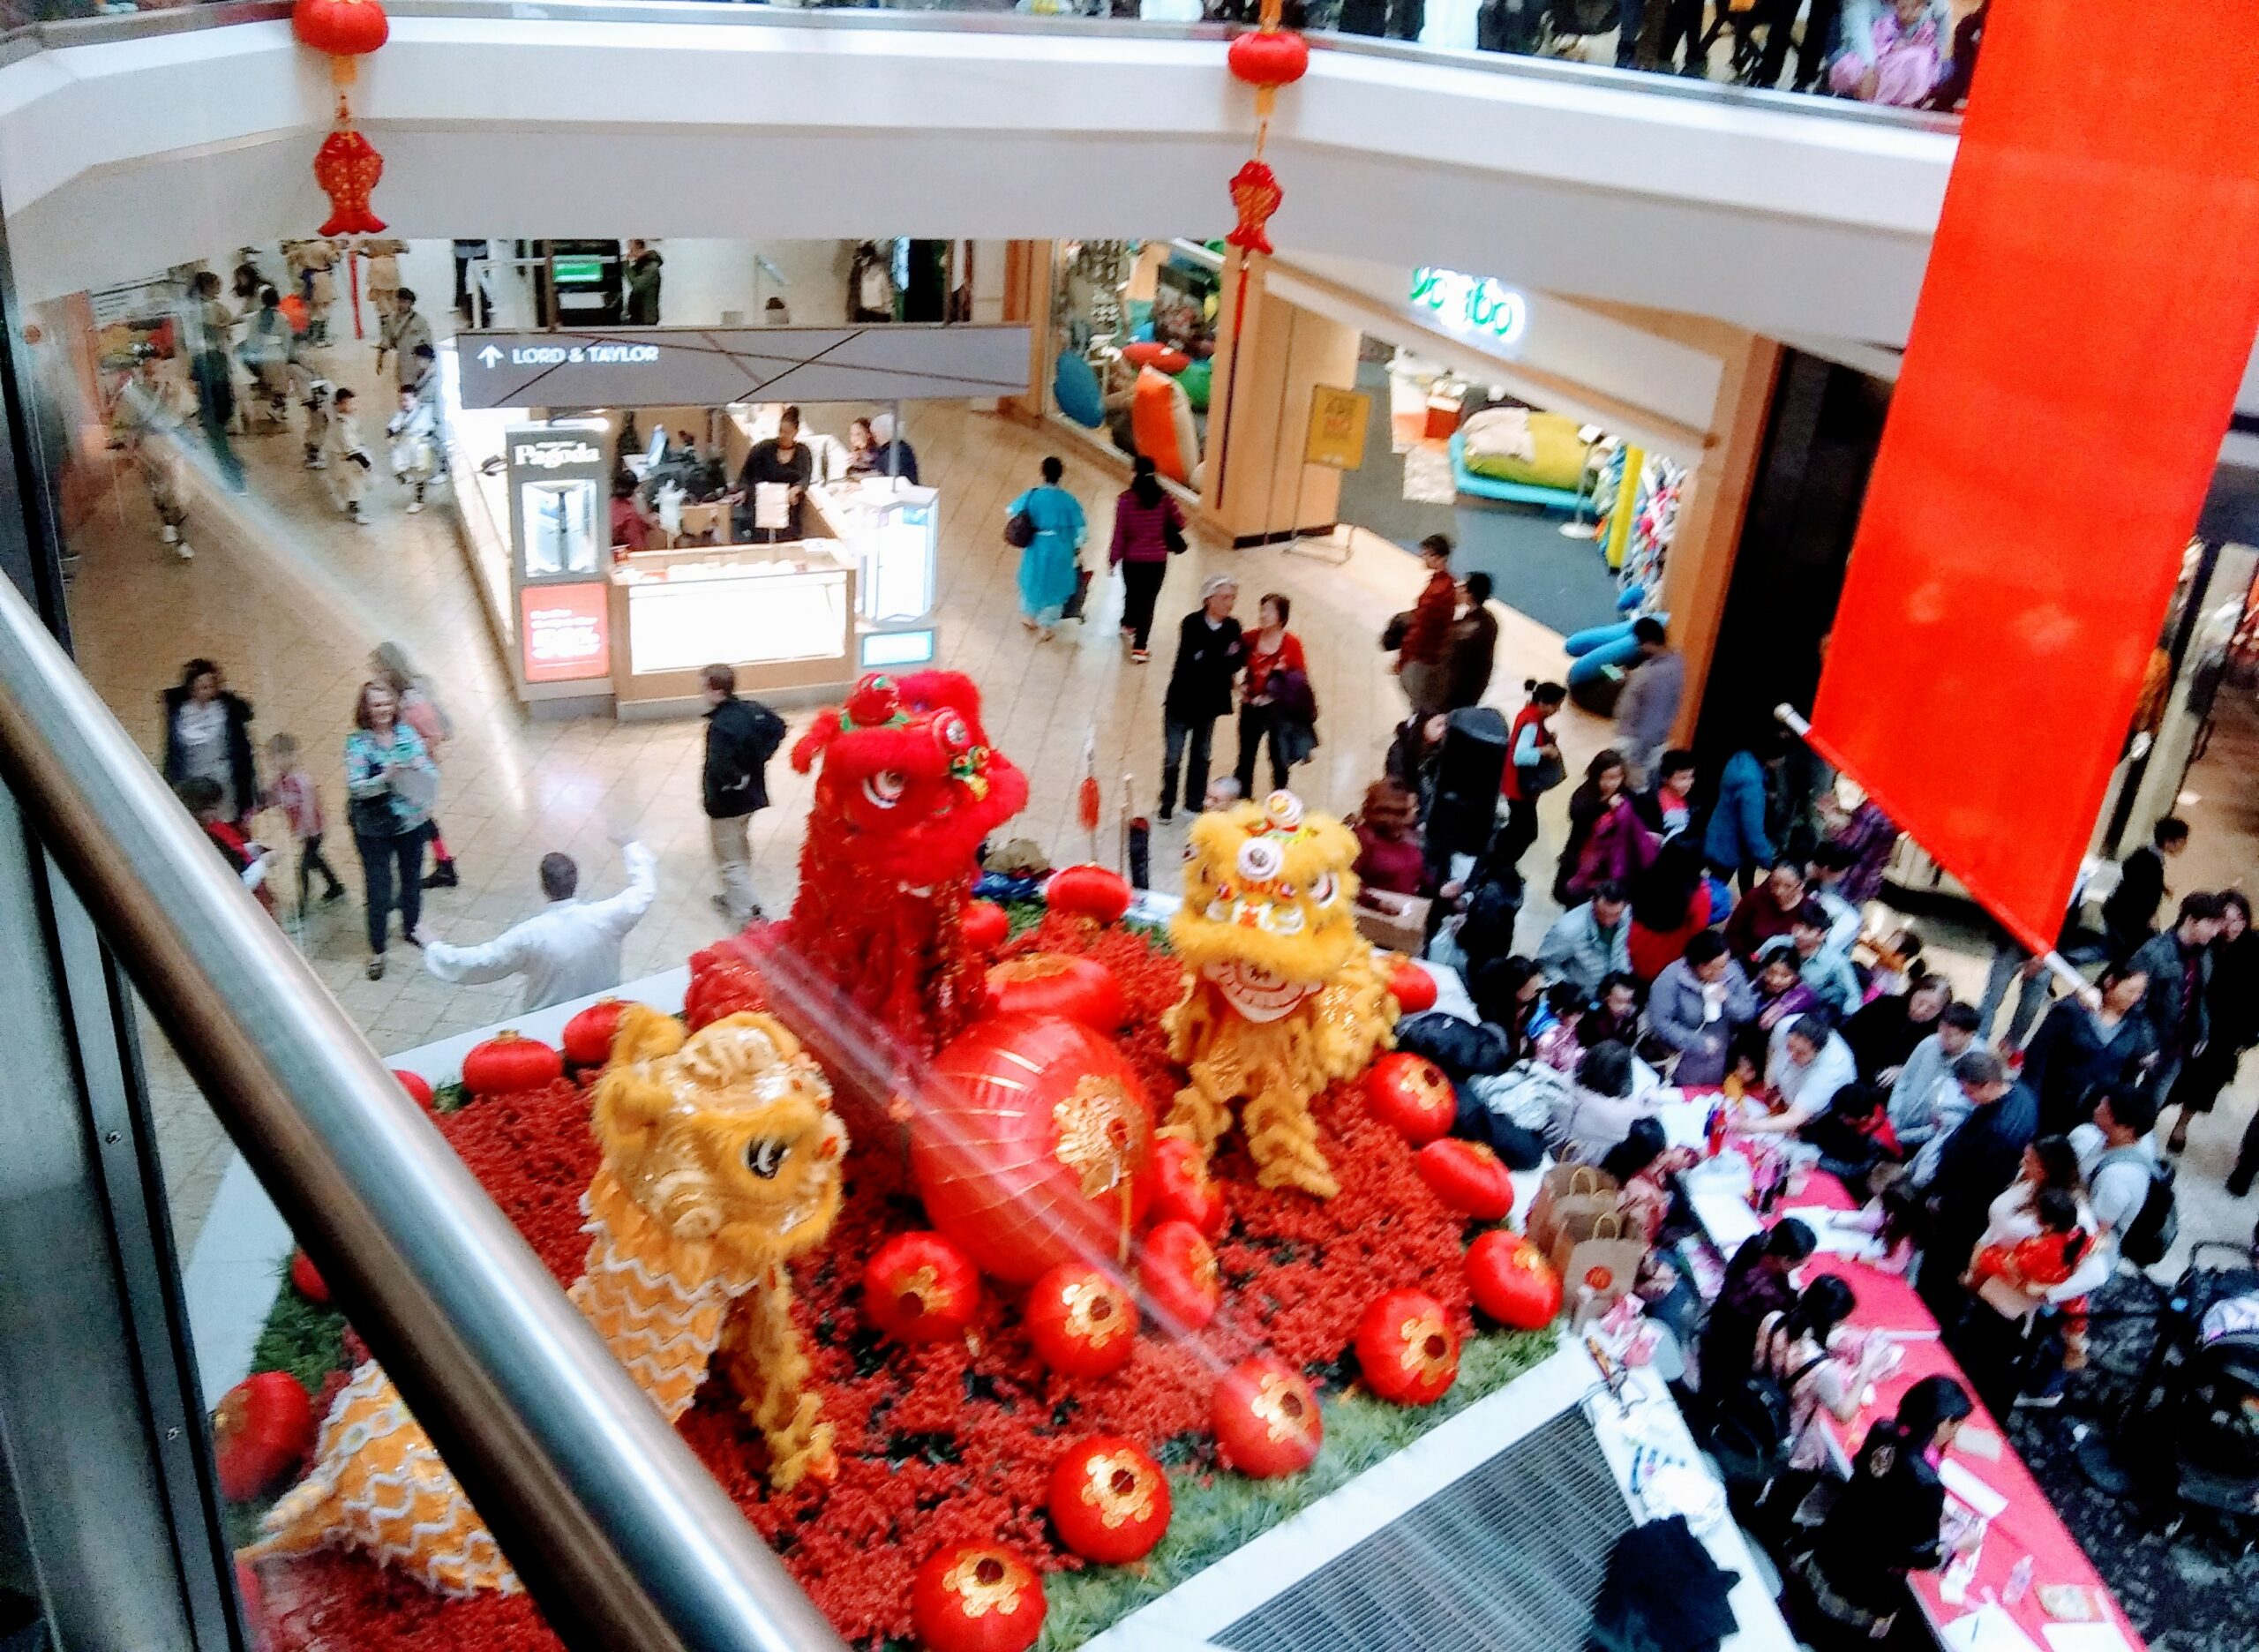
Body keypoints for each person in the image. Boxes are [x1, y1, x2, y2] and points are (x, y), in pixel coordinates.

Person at [1790, 1377, 1974, 1646]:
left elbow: (1868, 1476)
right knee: (1836, 1636)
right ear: (1944, 1422)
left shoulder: (1883, 1430)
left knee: (1807, 1608)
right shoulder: (1928, 1484)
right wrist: (1959, 1542)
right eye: (1956, 1425)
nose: (1956, 1433)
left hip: (1838, 1540)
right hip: (1867, 1577)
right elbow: (1920, 1553)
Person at [417, 830, 659, 1013]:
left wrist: (435, 946)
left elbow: (482, 961)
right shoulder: (608, 916)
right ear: (576, 881)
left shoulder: (530, 936)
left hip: (549, 1024)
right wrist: (631, 846)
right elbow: (643, 891)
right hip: (602, 1015)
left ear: (543, 887)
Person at [1914, 1048, 2040, 1323]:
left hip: (1964, 1216)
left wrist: (1943, 1202)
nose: (1965, 1098)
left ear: (1987, 1085)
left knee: (1939, 1279)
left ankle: (1929, 1324)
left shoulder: (2001, 1132)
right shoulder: (2020, 1092)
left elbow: (1982, 1188)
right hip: (1960, 1195)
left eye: (1968, 1092)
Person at [344, 680, 439, 980]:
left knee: (412, 878)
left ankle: (412, 926)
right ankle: (378, 948)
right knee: (379, 887)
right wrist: (385, 777)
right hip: (374, 828)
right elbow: (356, 787)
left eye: (386, 704)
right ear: (366, 709)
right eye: (376, 705)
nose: (383, 710)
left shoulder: (407, 734)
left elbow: (428, 770)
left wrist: (418, 771)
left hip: (411, 822)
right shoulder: (357, 744)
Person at [2162, 890, 2257, 1155]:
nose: (2232, 925)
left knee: (2203, 1085)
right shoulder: (2205, 941)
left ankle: (2181, 1126)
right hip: (2194, 1021)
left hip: (2228, 1031)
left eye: (2239, 918)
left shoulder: (2253, 947)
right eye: (2226, 919)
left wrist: (2248, 1037)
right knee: (2173, 1075)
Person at [2130, 891, 2226, 1138]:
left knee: (2153, 1104)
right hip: (2148, 1044)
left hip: (2179, 1046)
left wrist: (2203, 1031)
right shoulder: (2154, 953)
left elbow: (2200, 994)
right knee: (2125, 1096)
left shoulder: (2204, 954)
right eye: (2211, 925)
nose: (2215, 932)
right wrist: (2146, 1046)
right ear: (2192, 920)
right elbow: (2135, 1003)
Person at [2017, 964, 2155, 1136]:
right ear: (2110, 982)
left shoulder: (2137, 1027)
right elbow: (2037, 1059)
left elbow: (2128, 1077)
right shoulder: (2071, 1012)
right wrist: (2030, 1103)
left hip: (2095, 1115)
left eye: (2140, 993)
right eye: (2130, 991)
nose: (2135, 998)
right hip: (2051, 1103)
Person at [701, 663, 786, 925]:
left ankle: (750, 913)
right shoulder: (753, 711)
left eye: (704, 685)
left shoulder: (721, 726)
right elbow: (779, 727)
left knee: (729, 859)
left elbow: (719, 764)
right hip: (752, 799)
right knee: (740, 845)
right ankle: (734, 895)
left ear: (714, 689)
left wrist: (735, 779)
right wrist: (760, 758)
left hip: (726, 804)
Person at [370, 642, 460, 890]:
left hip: (416, 771)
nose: (374, 673)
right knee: (420, 817)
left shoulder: (412, 699)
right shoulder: (400, 695)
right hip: (407, 770)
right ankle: (443, 864)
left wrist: (410, 752)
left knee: (417, 818)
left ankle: (440, 866)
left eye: (377, 667)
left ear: (389, 669)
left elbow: (434, 734)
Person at [1701, 1219, 1818, 1399]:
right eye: (1799, 1264)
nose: (1800, 1268)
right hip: (1732, 1350)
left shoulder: (1757, 1244)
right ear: (1785, 1260)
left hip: (1719, 1321)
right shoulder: (1766, 1293)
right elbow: (1778, 1326)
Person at [1159, 575, 1242, 822]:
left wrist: (1214, 658)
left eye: (1233, 598)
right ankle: (1167, 803)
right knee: (1173, 756)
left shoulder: (1233, 627)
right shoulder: (1191, 623)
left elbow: (1236, 661)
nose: (1230, 603)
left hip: (1209, 705)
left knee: (1201, 755)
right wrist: (1220, 657)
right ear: (1209, 599)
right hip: (1181, 702)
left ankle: (1194, 803)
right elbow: (1194, 661)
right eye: (1225, 597)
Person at [1647, 931, 1756, 1085]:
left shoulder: (1732, 972)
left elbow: (1749, 1011)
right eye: (1718, 967)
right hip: (1681, 1059)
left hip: (1720, 1057)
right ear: (1702, 967)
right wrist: (1697, 1043)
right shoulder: (1670, 979)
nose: (1724, 970)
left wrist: (1728, 1000)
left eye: (1725, 963)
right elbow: (1661, 1022)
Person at [161, 658, 258, 825]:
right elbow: (173, 752)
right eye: (202, 687)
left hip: (224, 782)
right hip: (194, 784)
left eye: (211, 686)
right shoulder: (180, 714)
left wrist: (249, 791)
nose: (208, 692)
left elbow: (242, 752)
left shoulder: (226, 710)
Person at [259, 732, 346, 917]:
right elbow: (274, 799)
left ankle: (303, 904)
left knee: (304, 867)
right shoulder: (280, 782)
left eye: (280, 757)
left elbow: (308, 806)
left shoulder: (302, 781)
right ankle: (335, 887)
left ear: (292, 755)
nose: (275, 762)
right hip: (302, 831)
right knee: (316, 860)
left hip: (314, 831)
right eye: (272, 758)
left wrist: (303, 829)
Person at [1233, 593, 1310, 799]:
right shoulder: (1250, 638)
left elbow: (1299, 680)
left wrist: (1275, 693)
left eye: (1269, 610)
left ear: (1281, 617)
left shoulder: (1292, 643)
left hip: (1279, 711)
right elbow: (1229, 663)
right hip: (1251, 707)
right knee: (1246, 758)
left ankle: (1279, 802)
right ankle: (1244, 803)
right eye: (1262, 609)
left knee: (1279, 759)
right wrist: (1238, 688)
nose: (1263, 614)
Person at [1109, 456, 1182, 663]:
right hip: (1157, 560)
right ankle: (1140, 648)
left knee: (1132, 593)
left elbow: (1119, 533)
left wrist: (1113, 558)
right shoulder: (1165, 498)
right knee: (1148, 602)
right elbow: (1181, 521)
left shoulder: (1125, 499)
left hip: (1132, 560)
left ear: (1135, 473)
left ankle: (1128, 624)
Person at [1557, 750, 1654, 906]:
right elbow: (1577, 815)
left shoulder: (1626, 796)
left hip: (1609, 865)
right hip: (1581, 859)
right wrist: (1605, 806)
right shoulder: (1585, 795)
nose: (1612, 783)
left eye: (1616, 777)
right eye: (1606, 778)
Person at [1010, 455, 1088, 639]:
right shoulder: (1069, 501)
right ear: (1061, 475)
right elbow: (1082, 530)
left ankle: (1029, 616)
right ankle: (1047, 626)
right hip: (1061, 547)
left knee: (1032, 579)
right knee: (1057, 585)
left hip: (1036, 545)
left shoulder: (1033, 495)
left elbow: (1012, 512)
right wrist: (1076, 546)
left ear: (1042, 472)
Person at [1888, 1000, 1981, 1152]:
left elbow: (1948, 1123)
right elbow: (1904, 1080)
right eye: (1941, 1029)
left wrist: (1903, 1137)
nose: (1943, 1038)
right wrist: (1893, 1117)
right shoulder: (1929, 1043)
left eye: (1950, 1035)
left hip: (1922, 1144)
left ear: (1969, 1035)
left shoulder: (1975, 1067)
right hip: (1897, 1125)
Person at [1742, 1013, 1857, 1135]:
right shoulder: (1785, 1025)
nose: (1791, 1056)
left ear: (1816, 1053)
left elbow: (1797, 1116)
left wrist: (1752, 1126)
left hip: (1818, 1113)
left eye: (1801, 1053)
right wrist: (1770, 1075)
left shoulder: (1833, 1067)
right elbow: (1773, 1048)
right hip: (1786, 1093)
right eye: (1789, 1047)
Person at [1495, 680, 1567, 873]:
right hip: (1519, 789)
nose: (1557, 711)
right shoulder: (1532, 724)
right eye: (1556, 705)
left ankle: (1498, 858)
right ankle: (1502, 864)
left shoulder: (1527, 714)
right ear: (1544, 702)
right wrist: (1544, 751)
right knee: (1526, 833)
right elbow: (1520, 756)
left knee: (1517, 829)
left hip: (1512, 784)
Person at [178, 775, 274, 914]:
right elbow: (238, 888)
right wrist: (263, 863)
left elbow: (228, 855)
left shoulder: (194, 834)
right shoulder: (204, 838)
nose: (217, 814)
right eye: (212, 808)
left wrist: (252, 849)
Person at [184, 270, 244, 491]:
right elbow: (211, 331)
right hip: (211, 362)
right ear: (208, 287)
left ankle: (228, 464)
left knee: (220, 412)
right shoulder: (204, 309)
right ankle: (230, 475)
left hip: (211, 363)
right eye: (216, 286)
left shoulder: (199, 307)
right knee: (219, 414)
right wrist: (224, 328)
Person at [1704, 738, 1787, 894]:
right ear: (1772, 758)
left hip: (1719, 833)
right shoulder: (1751, 785)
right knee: (1715, 892)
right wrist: (1768, 859)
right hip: (1731, 846)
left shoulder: (1740, 761)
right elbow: (1752, 829)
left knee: (1722, 882)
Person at [1626, 835, 1715, 982]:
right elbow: (1697, 932)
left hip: (1633, 945)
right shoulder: (1699, 895)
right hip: (1667, 957)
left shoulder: (1644, 875)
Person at [1829, 0, 1949, 108]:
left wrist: (1906, 25)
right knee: (1850, 70)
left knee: (1936, 67)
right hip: (1862, 56)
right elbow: (1858, 34)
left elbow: (1937, 40)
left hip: (1906, 58)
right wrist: (1870, 68)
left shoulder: (1932, 5)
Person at [1610, 618, 1684, 789]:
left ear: (1649, 642)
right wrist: (1633, 679)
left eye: (1640, 644)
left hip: (1637, 744)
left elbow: (1653, 720)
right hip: (1645, 743)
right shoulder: (1674, 660)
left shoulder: (1658, 675)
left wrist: (1637, 759)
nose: (1639, 648)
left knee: (1630, 794)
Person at [2102, 816, 2188, 959]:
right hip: (2126, 918)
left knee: (2113, 951)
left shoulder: (2146, 854)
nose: (2183, 847)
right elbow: (2143, 893)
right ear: (2168, 842)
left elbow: (2137, 878)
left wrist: (2162, 887)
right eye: (2181, 842)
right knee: (2117, 954)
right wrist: (2151, 916)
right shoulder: (2151, 863)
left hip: (2117, 912)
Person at [1554, 1040, 1650, 1162]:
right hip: (1577, 1165)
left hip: (1553, 1145)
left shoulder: (1564, 1080)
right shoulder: (1617, 1114)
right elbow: (1627, 1132)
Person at [731, 404, 815, 543]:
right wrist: (744, 490)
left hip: (788, 511)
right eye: (781, 431)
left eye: (787, 432)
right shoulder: (763, 448)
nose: (783, 435)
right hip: (761, 507)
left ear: (795, 432)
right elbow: (747, 473)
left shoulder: (803, 452)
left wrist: (797, 489)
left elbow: (805, 477)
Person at [1843, 975, 1949, 1085]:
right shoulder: (1886, 1005)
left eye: (1932, 1008)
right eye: (1920, 1002)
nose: (1922, 1010)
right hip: (1850, 1068)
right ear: (1913, 993)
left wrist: (1904, 1070)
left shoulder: (1933, 1037)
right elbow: (1849, 1033)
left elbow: (1929, 1069)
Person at [1394, 533, 1457, 717]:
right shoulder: (1447, 584)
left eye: (1427, 553)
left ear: (1439, 558)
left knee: (1418, 700)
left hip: (1423, 656)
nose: (1422, 556)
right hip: (1432, 654)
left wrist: (1402, 658)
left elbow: (1419, 632)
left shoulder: (1436, 593)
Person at [1537, 882, 1633, 995]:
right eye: (1602, 914)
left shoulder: (1626, 914)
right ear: (1592, 901)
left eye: (1616, 914)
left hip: (1609, 993)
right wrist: (1568, 991)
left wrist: (1623, 980)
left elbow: (1620, 948)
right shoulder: (1567, 931)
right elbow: (1545, 962)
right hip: (1580, 999)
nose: (1609, 921)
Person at [1723, 860, 1810, 963]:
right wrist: (1747, 958)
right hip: (1743, 959)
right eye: (1774, 884)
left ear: (1800, 886)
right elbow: (1732, 932)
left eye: (1787, 886)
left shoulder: (1807, 908)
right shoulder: (1755, 897)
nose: (1778, 891)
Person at [1351, 780, 1426, 897]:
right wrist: (1376, 903)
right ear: (1394, 811)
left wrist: (1441, 890)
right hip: (1375, 911)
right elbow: (1349, 883)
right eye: (1412, 807)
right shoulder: (1363, 839)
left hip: (1407, 908)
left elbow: (1417, 873)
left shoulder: (1408, 834)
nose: (1417, 809)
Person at [1787, 902, 1860, 1017]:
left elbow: (1854, 997)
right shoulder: (1779, 943)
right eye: (1798, 927)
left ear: (1821, 935)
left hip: (1802, 1013)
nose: (1798, 934)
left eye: (1807, 930)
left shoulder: (1837, 963)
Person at [1442, 570, 1499, 712]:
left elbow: (1446, 649)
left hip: (1459, 690)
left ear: (1470, 594)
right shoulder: (1487, 620)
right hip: (1471, 686)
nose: (1458, 589)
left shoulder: (1469, 630)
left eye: (1464, 587)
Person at [323, 386, 373, 524]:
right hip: (345, 461)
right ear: (339, 405)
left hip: (345, 460)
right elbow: (349, 445)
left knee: (352, 486)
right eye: (348, 403)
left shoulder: (348, 419)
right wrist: (364, 462)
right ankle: (354, 512)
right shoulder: (342, 424)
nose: (353, 406)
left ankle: (351, 507)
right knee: (353, 486)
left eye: (353, 402)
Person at [387, 385, 439, 514]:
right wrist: (390, 435)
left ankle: (419, 500)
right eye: (402, 400)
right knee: (397, 466)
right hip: (404, 445)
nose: (405, 403)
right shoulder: (400, 415)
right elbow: (391, 428)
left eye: (407, 400)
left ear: (416, 399)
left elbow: (432, 428)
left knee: (420, 474)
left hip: (420, 447)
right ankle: (406, 481)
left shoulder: (426, 411)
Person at [1631, 747, 1700, 841]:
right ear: (1666, 779)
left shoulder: (1693, 804)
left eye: (1691, 777)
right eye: (1683, 778)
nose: (1688, 783)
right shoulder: (1649, 802)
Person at [377, 287, 433, 394]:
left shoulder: (420, 321)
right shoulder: (391, 320)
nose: (401, 304)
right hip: (402, 362)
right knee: (404, 392)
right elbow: (386, 340)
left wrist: (426, 365)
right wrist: (380, 360)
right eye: (399, 301)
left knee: (420, 390)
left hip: (417, 363)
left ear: (411, 303)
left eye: (404, 302)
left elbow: (428, 344)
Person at [610, 469, 656, 556]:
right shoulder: (631, 515)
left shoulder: (608, 505)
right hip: (624, 556)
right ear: (636, 488)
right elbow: (638, 550)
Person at [865, 412, 919, 484]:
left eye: (875, 435)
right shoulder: (900, 446)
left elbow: (890, 483)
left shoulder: (895, 455)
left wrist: (865, 484)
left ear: (882, 434)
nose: (874, 439)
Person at [623, 239, 663, 325]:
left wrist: (626, 267)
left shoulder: (651, 268)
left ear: (639, 248)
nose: (629, 253)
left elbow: (638, 285)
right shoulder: (642, 267)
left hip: (646, 318)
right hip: (638, 315)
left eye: (631, 249)